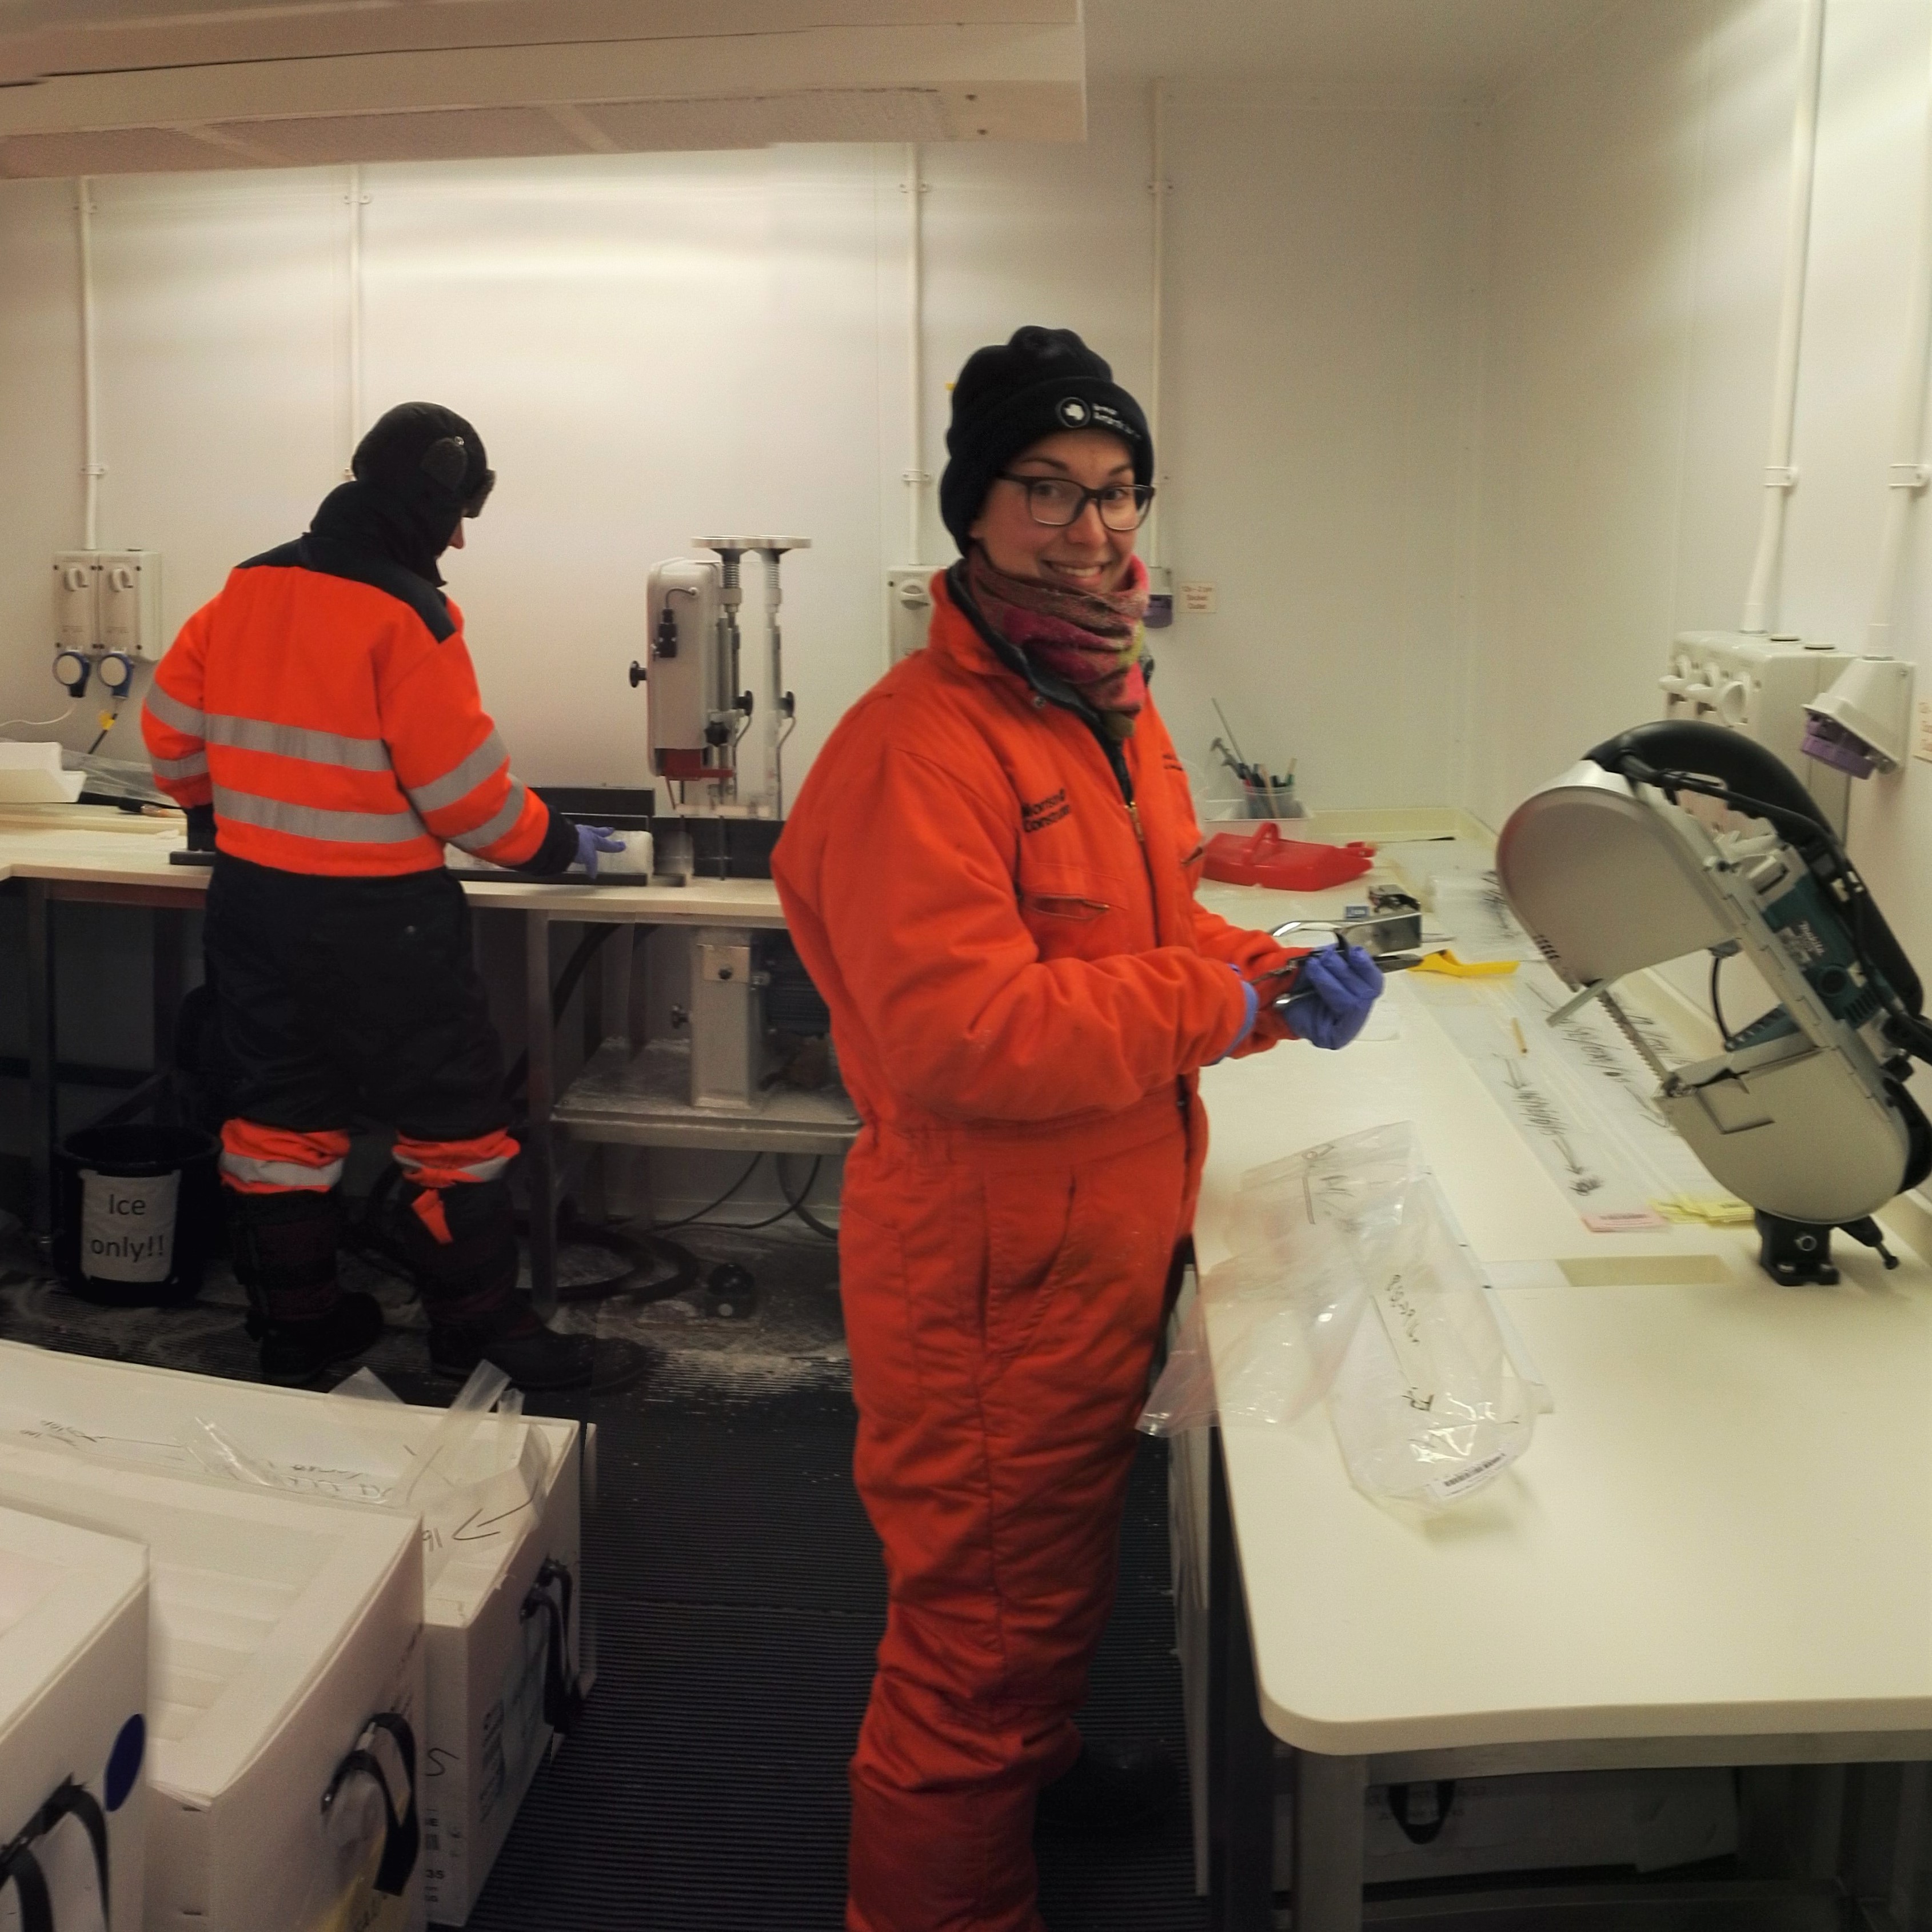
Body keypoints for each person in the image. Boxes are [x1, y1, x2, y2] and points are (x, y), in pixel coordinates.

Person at [772, 326, 1382, 1932]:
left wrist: (1267, 965)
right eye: (1043, 487)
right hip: (989, 1264)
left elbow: (1143, 922)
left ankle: (1028, 1778)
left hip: (1094, 1229)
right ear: (973, 510)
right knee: (970, 1642)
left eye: (1115, 492)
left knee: (1042, 1591)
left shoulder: (1105, 703)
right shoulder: (922, 743)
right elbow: (967, 1036)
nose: (1089, 527)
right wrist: (1223, 1011)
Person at [142, 401, 642, 1394]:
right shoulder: (409, 614)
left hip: (253, 913)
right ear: (428, 496)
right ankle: (478, 1334)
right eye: (459, 512)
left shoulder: (243, 589)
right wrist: (571, 849)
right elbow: (469, 805)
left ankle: (302, 1331)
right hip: (385, 925)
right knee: (453, 1130)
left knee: (278, 1124)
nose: (460, 536)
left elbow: (167, 743)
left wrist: (224, 812)